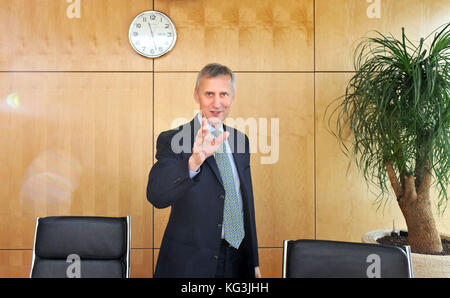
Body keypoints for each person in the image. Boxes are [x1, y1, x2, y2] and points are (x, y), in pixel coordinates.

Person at [147, 63, 260, 278]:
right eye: (209, 94)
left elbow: (246, 203)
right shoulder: (173, 140)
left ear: (232, 97)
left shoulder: (240, 141)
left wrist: (253, 262)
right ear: (196, 95)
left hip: (237, 261)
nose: (217, 102)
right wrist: (193, 162)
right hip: (190, 265)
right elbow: (156, 196)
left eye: (223, 94)